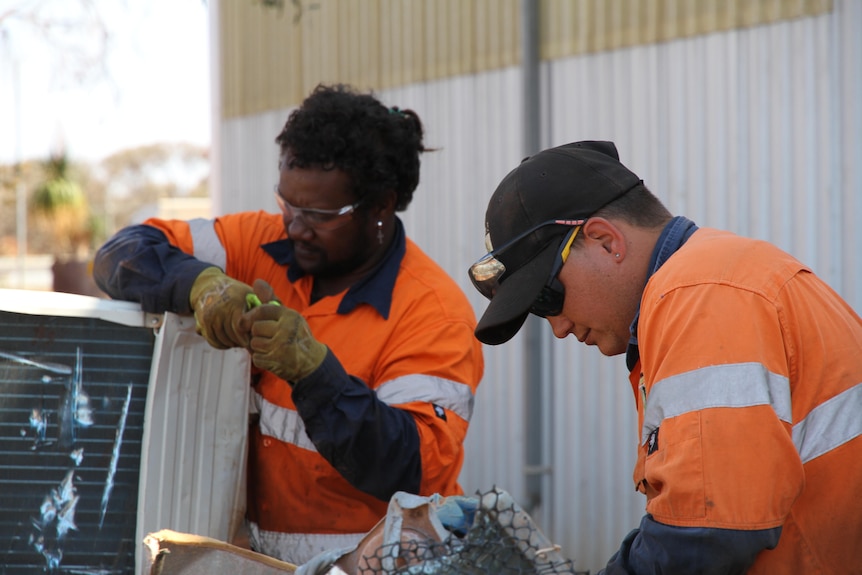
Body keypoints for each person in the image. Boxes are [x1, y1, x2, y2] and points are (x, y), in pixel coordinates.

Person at [94, 83, 484, 565]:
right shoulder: (257, 242)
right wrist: (202, 286)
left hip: (386, 563)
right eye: (288, 204)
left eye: (319, 215)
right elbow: (121, 254)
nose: (295, 227)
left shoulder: (432, 313)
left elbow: (409, 467)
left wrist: (316, 375)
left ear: (381, 205)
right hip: (270, 560)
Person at [468, 140, 862, 574]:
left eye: (547, 297)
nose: (558, 328)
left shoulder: (699, 294)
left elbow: (706, 534)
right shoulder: (717, 277)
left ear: (604, 240)